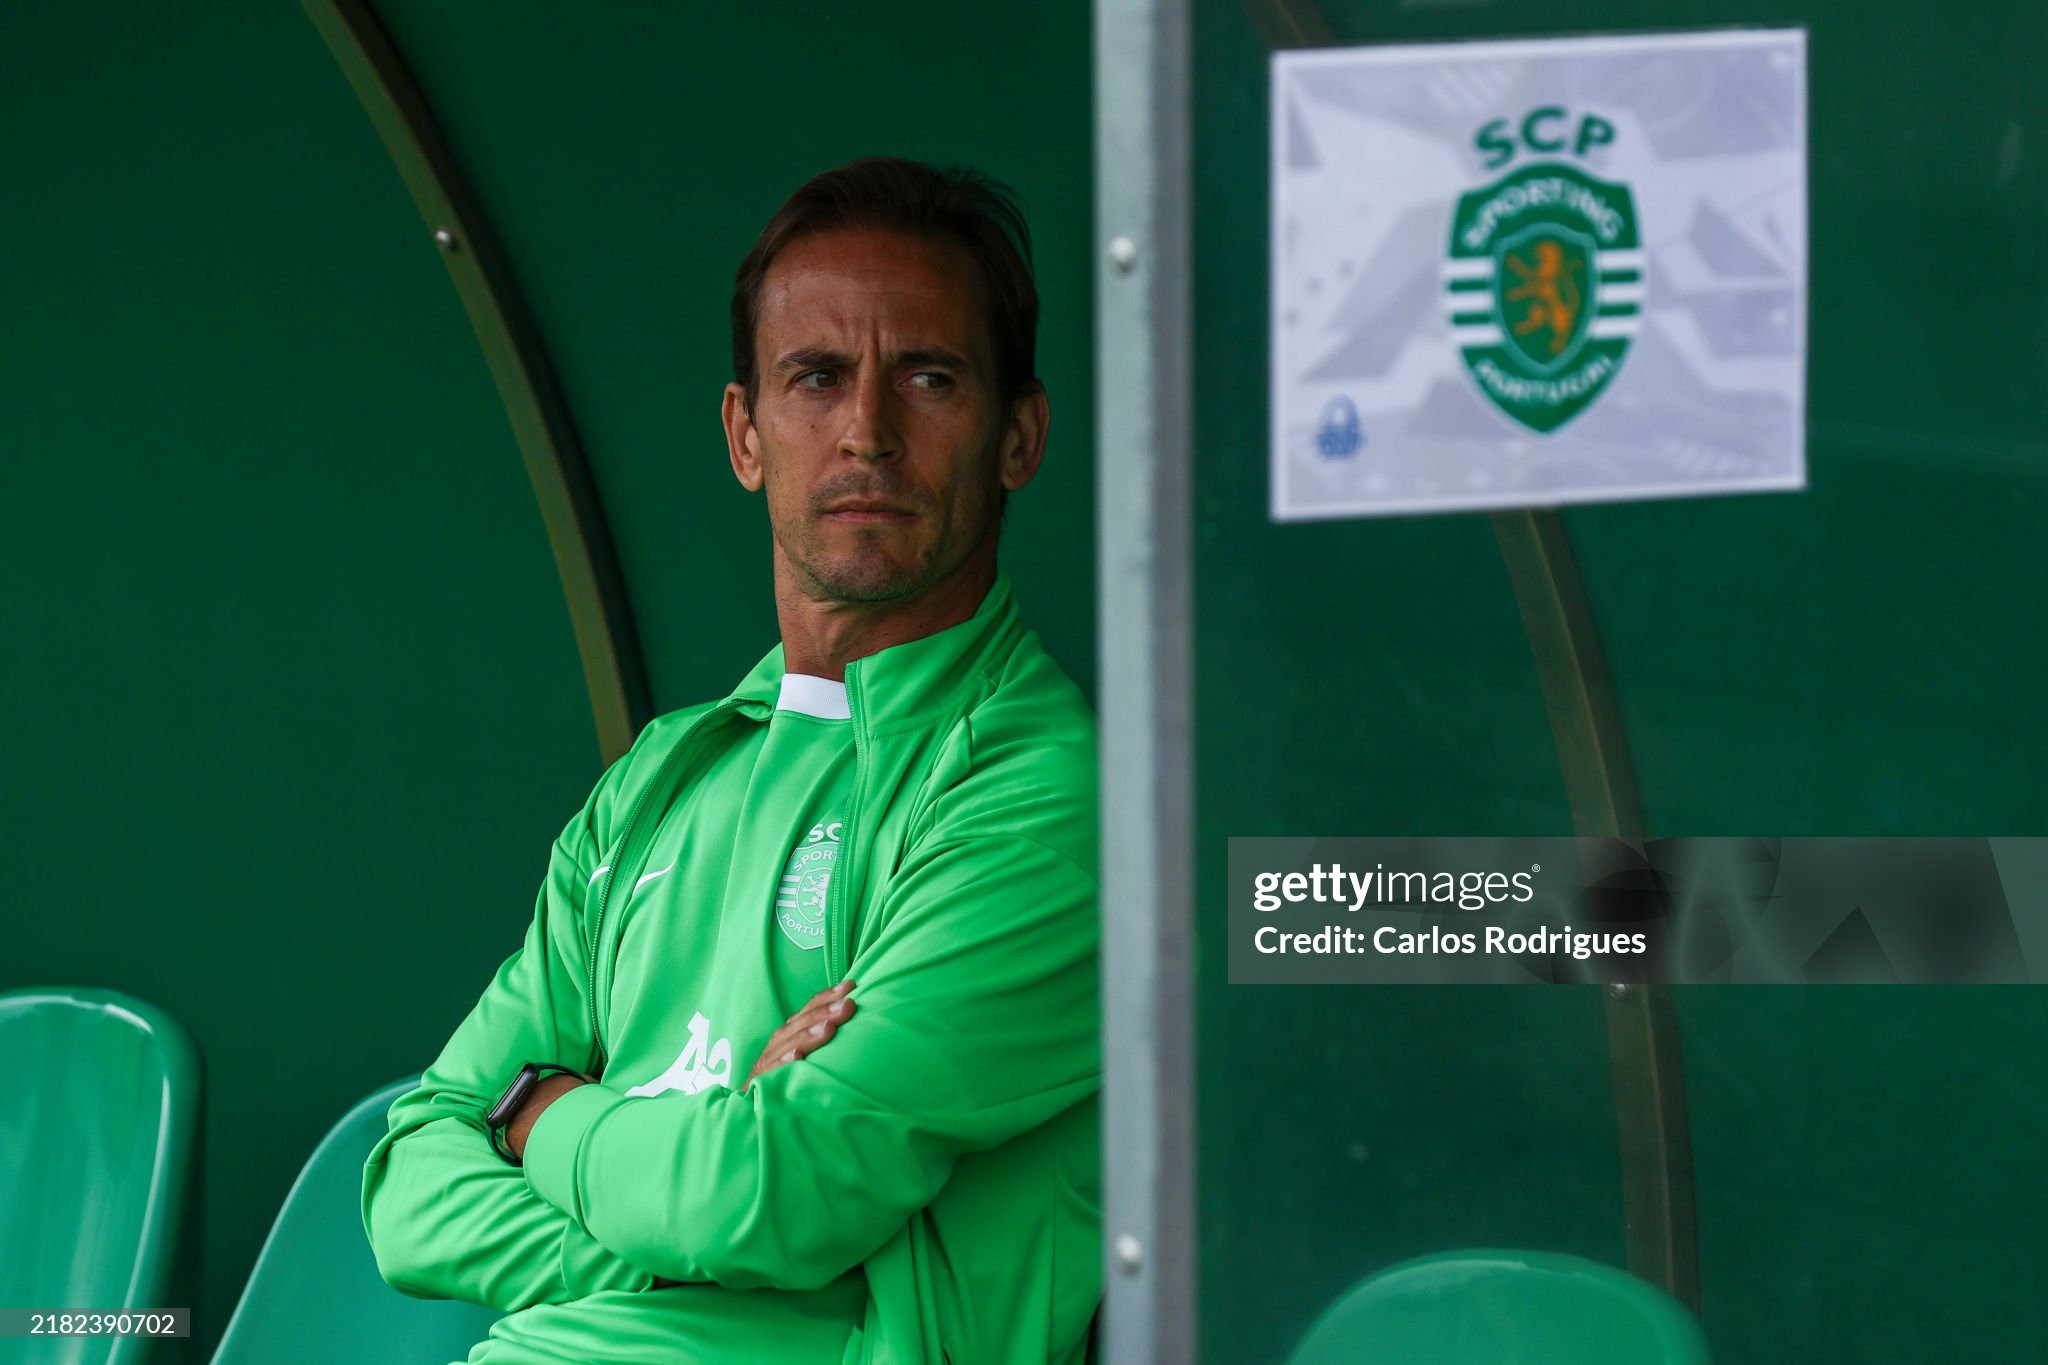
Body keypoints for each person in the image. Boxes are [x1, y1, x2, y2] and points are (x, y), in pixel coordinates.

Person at [361, 157, 1101, 1365]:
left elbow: (770, 1194)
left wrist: (545, 1109)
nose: (866, 430)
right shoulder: (662, 776)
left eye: (927, 377)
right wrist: (674, 1226)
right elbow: (407, 1178)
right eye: (815, 378)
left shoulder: (1038, 795)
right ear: (744, 435)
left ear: (1017, 437)